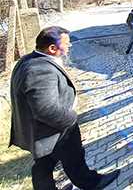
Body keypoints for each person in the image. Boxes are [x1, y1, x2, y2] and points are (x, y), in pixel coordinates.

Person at [9, 26, 120, 190]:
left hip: (40, 131)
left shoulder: (28, 60)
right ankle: (91, 183)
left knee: (43, 165)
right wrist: (71, 118)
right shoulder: (39, 70)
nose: (69, 47)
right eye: (66, 44)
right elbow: (45, 109)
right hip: (56, 130)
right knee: (74, 159)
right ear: (52, 48)